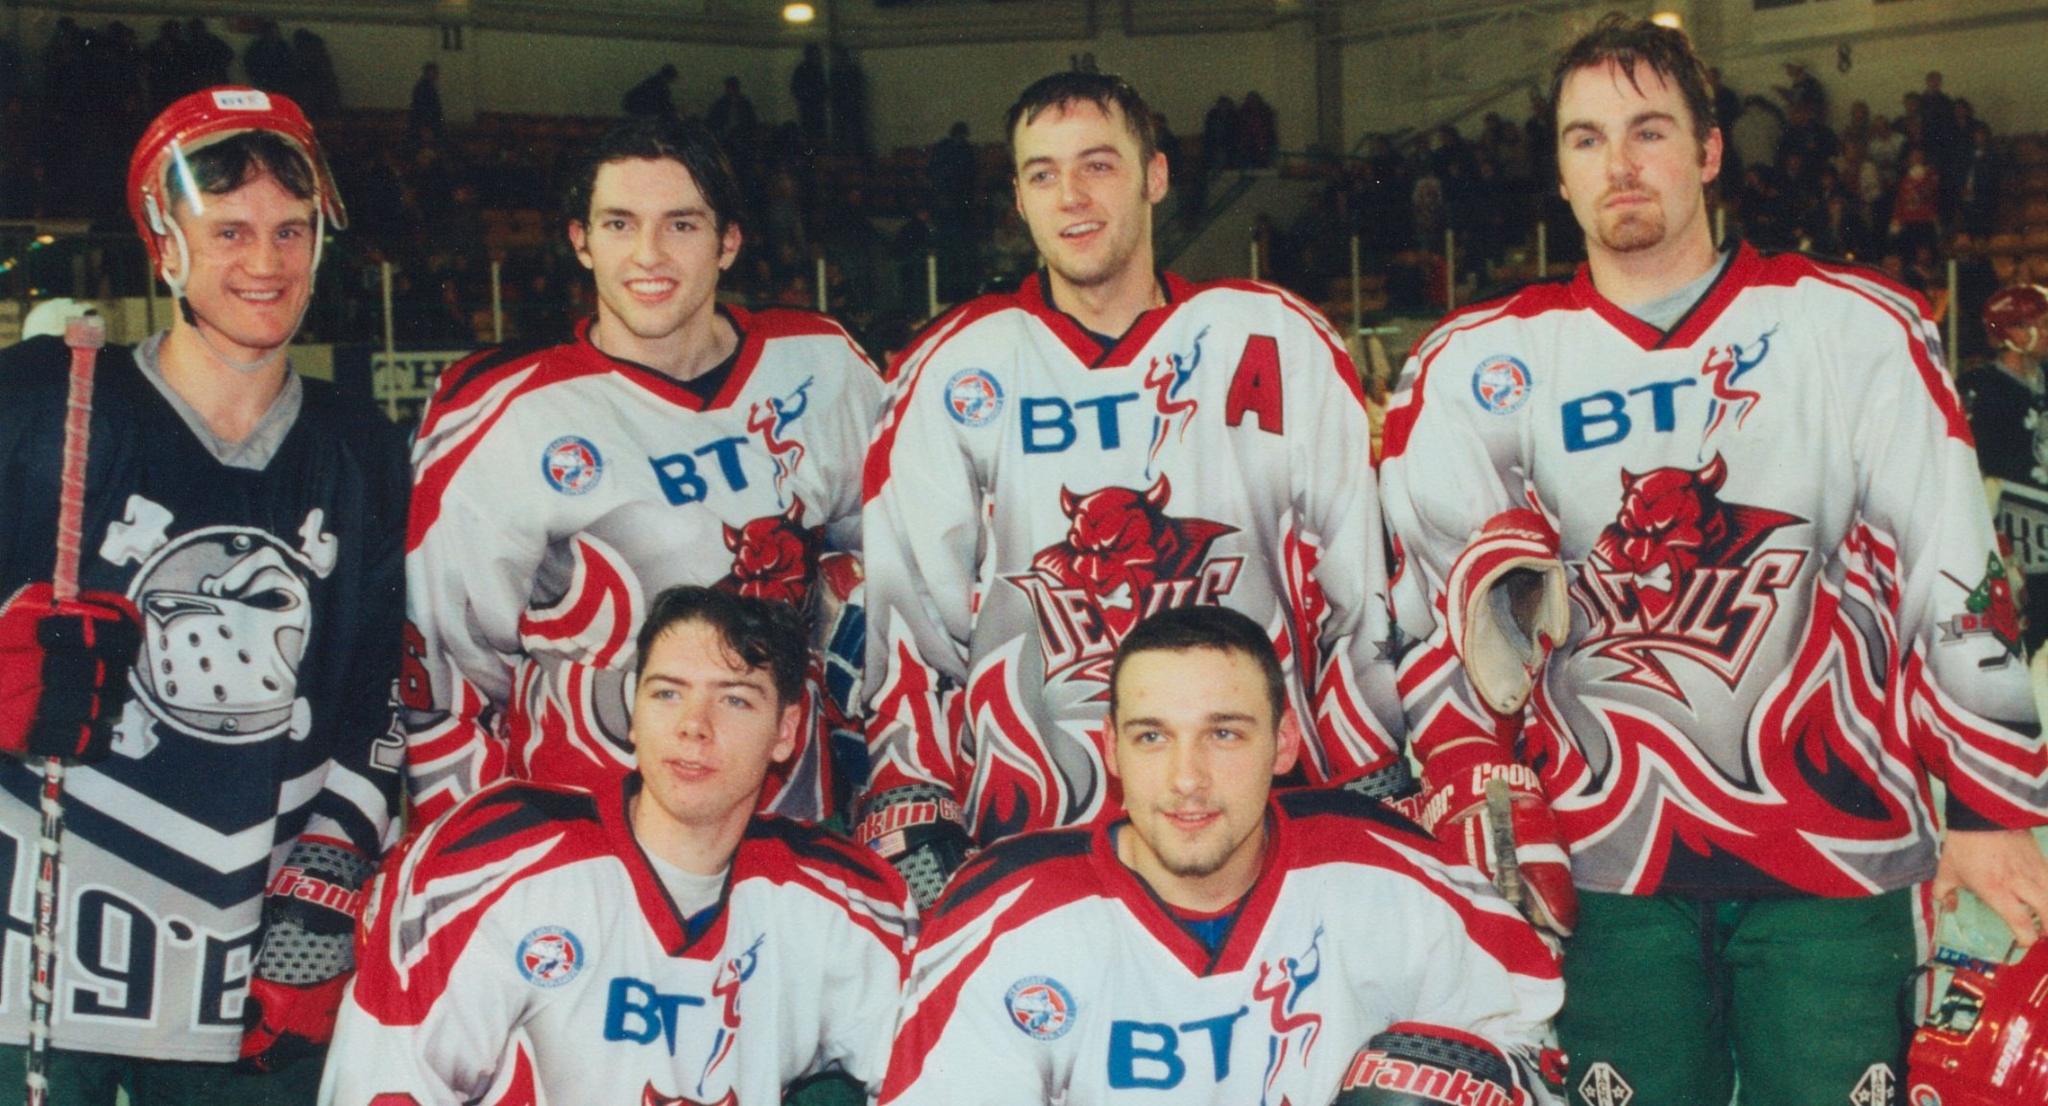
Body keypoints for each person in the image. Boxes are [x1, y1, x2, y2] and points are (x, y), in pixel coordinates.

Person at [1377, 16, 2048, 1106]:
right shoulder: (1478, 365)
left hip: (1833, 848)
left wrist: (1981, 801)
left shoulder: (1848, 329)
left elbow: (1952, 563)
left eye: (1647, 132)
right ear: (1557, 166)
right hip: (1604, 862)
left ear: (1706, 151)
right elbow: (1426, 602)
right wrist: (1470, 768)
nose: (1619, 163)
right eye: (1586, 138)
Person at [861, 71, 1405, 908]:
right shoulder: (952, 368)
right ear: (1019, 197)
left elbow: (1353, 586)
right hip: (1035, 831)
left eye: (1099, 166)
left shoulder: (1274, 339)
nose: (1071, 196)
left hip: (1254, 828)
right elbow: (914, 617)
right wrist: (911, 792)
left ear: (1155, 176)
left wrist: (1369, 773)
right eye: (1042, 174)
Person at [0, 86, 406, 1100]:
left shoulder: (359, 447)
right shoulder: (40, 402)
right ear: (163, 243)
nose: (265, 263)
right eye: (228, 230)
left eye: (290, 230)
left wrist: (324, 887)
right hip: (34, 946)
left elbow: (375, 697)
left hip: (248, 947)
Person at [401, 115, 883, 829]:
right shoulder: (502, 416)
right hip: (588, 839)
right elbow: (442, 683)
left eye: (682, 225)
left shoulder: (820, 362)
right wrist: (491, 860)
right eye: (620, 224)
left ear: (728, 243)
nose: (649, 255)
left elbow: (897, 567)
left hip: (794, 826)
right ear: (581, 242)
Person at [878, 606, 1559, 1105]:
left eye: (1224, 734)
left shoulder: (1381, 869)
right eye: (1152, 737)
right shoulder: (1006, 916)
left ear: (1284, 743)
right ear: (1111, 749)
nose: (1187, 778)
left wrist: (1498, 1085)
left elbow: (1529, 1033)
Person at [323, 587, 912, 1105]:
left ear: (784, 733)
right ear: (632, 714)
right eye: (667, 694)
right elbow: (383, 1081)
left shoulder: (842, 901)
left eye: (734, 699)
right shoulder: (495, 859)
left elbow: (941, 1074)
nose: (694, 726)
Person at [1962, 285, 2048, 651]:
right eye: (2040, 324)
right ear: (2009, 331)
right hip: (2019, 538)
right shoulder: (1980, 390)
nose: (2046, 332)